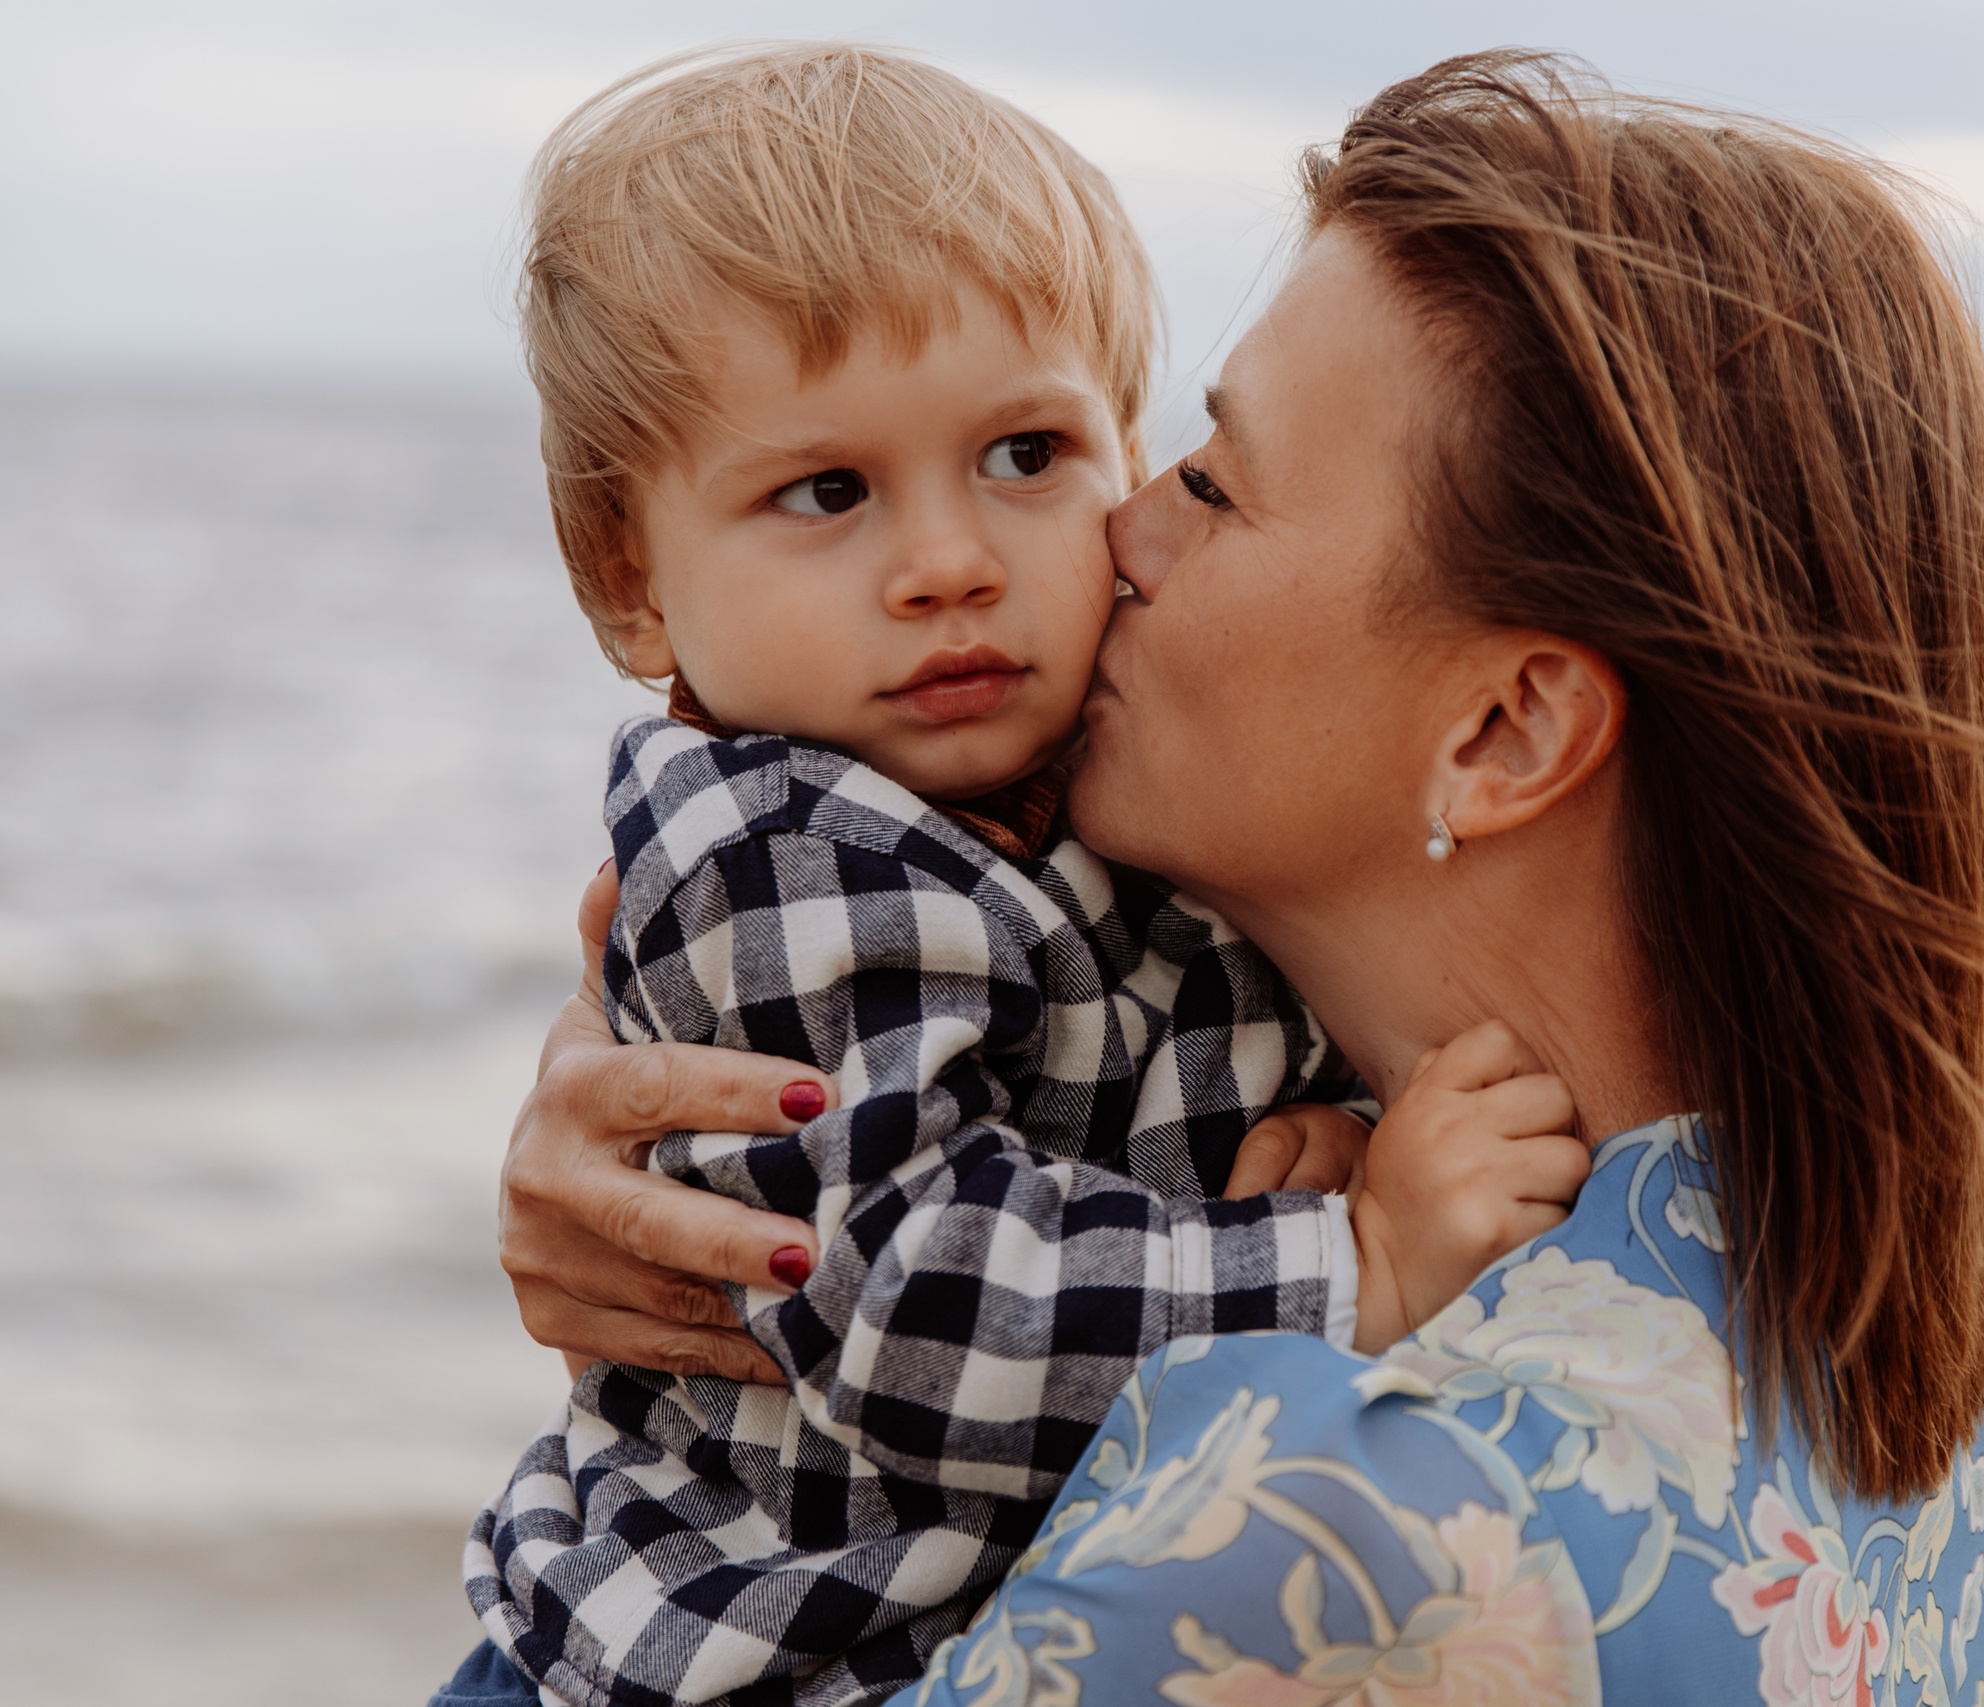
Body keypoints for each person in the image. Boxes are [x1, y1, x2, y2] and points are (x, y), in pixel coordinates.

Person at [467, 47, 1984, 1707]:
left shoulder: (1312, 1541)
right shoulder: (1870, 1348)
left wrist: (1352, 1256)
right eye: (831, 490)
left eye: (1212, 481)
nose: (1112, 536)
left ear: (1505, 731)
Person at [449, 46, 1584, 1707]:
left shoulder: (1090, 793)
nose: (951, 563)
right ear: (628, 583)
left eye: (1028, 456)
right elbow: (917, 1308)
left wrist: (1325, 1120)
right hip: (709, 1674)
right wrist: (1356, 1263)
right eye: (825, 491)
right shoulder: (789, 849)